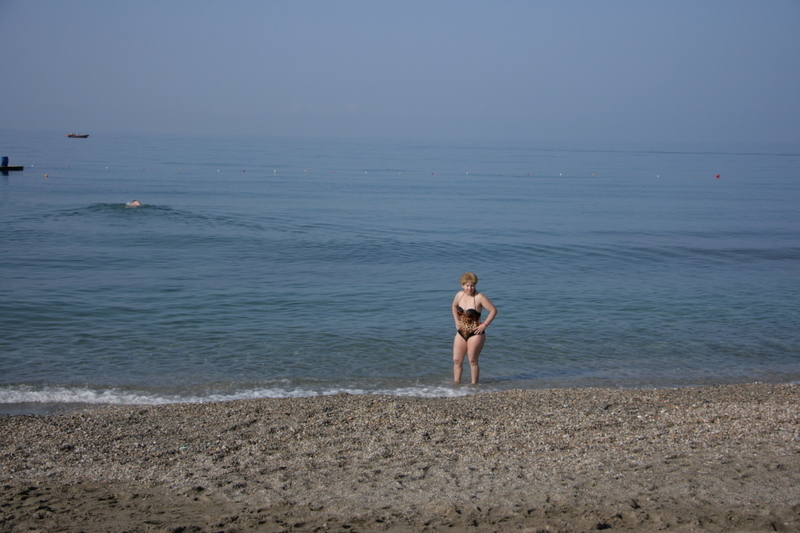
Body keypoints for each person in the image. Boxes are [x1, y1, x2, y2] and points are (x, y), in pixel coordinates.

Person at [451, 272, 497, 384]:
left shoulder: (479, 297)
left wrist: (484, 324)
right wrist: (456, 321)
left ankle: (474, 385)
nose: (470, 288)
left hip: (476, 333)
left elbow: (493, 311)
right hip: (461, 331)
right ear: (462, 285)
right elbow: (454, 306)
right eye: (467, 285)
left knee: (472, 361)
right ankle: (456, 384)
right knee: (457, 360)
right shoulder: (459, 295)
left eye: (472, 285)